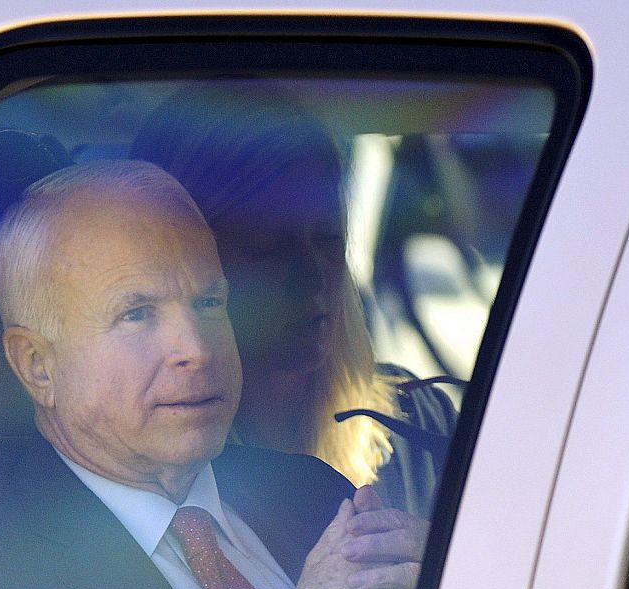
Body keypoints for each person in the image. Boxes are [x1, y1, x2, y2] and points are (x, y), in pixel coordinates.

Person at [0, 160, 419, 589]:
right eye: (137, 314)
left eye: (209, 303)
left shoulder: (314, 494)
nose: (197, 350)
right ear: (38, 366)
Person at [130, 80, 458, 523]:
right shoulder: (151, 477)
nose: (313, 278)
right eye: (268, 250)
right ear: (178, 264)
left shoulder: (417, 425)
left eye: (329, 238)